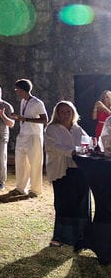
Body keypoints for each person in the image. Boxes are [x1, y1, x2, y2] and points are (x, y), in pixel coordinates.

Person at [44, 101, 91, 248]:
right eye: (62, 112)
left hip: (78, 170)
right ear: (57, 114)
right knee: (64, 203)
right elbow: (53, 146)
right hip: (61, 170)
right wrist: (72, 152)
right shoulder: (52, 128)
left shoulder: (77, 128)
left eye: (68, 112)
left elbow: (87, 142)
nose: (65, 115)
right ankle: (61, 236)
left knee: (81, 202)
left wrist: (90, 148)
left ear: (73, 113)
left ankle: (81, 235)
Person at [10, 79, 48, 198]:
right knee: (20, 162)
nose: (16, 91)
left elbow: (45, 120)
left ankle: (35, 190)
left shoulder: (37, 103)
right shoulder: (23, 101)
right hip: (23, 134)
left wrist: (25, 119)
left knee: (35, 162)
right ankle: (21, 188)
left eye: (17, 89)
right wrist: (18, 117)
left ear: (22, 90)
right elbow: (24, 117)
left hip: (34, 136)